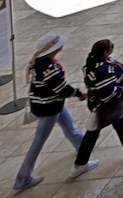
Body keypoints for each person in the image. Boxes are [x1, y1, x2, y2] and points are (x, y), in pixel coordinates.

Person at [13, 33, 87, 191]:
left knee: (69, 127)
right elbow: (62, 88)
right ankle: (23, 178)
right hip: (49, 107)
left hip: (52, 104)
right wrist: (79, 94)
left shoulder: (40, 61)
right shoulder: (48, 67)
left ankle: (83, 149)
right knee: (38, 142)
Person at [71, 39, 123, 177]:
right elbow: (108, 91)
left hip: (103, 104)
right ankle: (80, 164)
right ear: (105, 52)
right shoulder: (100, 69)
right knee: (92, 134)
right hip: (105, 105)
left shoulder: (93, 61)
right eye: (110, 50)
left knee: (122, 122)